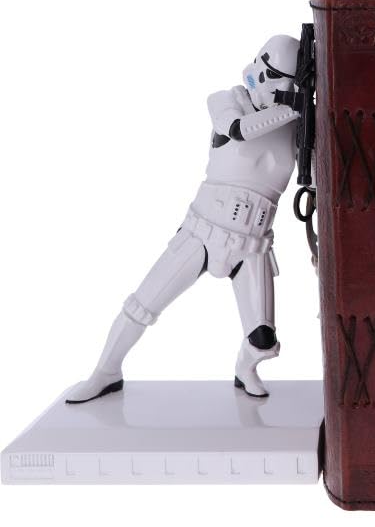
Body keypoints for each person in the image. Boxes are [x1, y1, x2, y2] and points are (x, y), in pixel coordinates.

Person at [65, 35, 301, 403]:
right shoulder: (228, 101)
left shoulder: (296, 127)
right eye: (272, 75)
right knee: (142, 306)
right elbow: (238, 129)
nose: (275, 87)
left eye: (287, 81)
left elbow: (315, 178)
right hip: (203, 231)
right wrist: (295, 107)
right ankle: (105, 373)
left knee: (263, 341)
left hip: (253, 244)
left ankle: (245, 370)